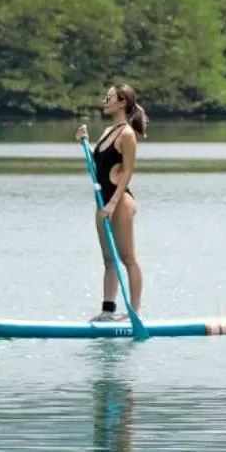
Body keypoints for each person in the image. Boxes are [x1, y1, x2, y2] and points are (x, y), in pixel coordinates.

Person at [76, 83, 146, 322]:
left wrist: (113, 204)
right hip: (102, 201)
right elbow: (97, 168)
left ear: (122, 102)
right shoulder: (108, 131)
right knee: (108, 259)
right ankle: (107, 311)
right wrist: (83, 141)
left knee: (128, 259)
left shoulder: (127, 134)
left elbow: (127, 172)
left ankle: (134, 312)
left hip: (120, 202)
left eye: (110, 97)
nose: (105, 100)